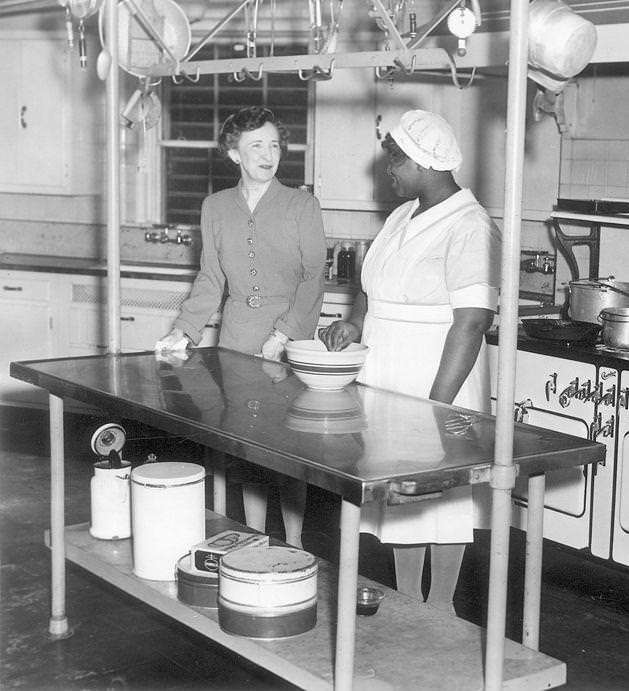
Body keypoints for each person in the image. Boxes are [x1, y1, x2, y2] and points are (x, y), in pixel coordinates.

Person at [319, 109, 501, 612]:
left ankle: (440, 609)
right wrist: (355, 323)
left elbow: (472, 322)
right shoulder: (402, 215)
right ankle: (407, 602)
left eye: (395, 161)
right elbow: (373, 289)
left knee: (442, 498)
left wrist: (435, 409)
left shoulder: (471, 225)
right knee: (399, 495)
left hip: (436, 378)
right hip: (389, 373)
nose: (388, 171)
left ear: (423, 162)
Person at [155, 105, 327, 548]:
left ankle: (295, 544)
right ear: (234, 153)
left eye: (274, 145)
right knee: (247, 442)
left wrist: (283, 334)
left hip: (289, 337)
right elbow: (211, 277)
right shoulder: (215, 207)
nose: (268, 155)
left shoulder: (302, 205)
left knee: (288, 446)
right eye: (256, 146)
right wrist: (184, 330)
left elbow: (313, 277)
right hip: (236, 335)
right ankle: (255, 539)